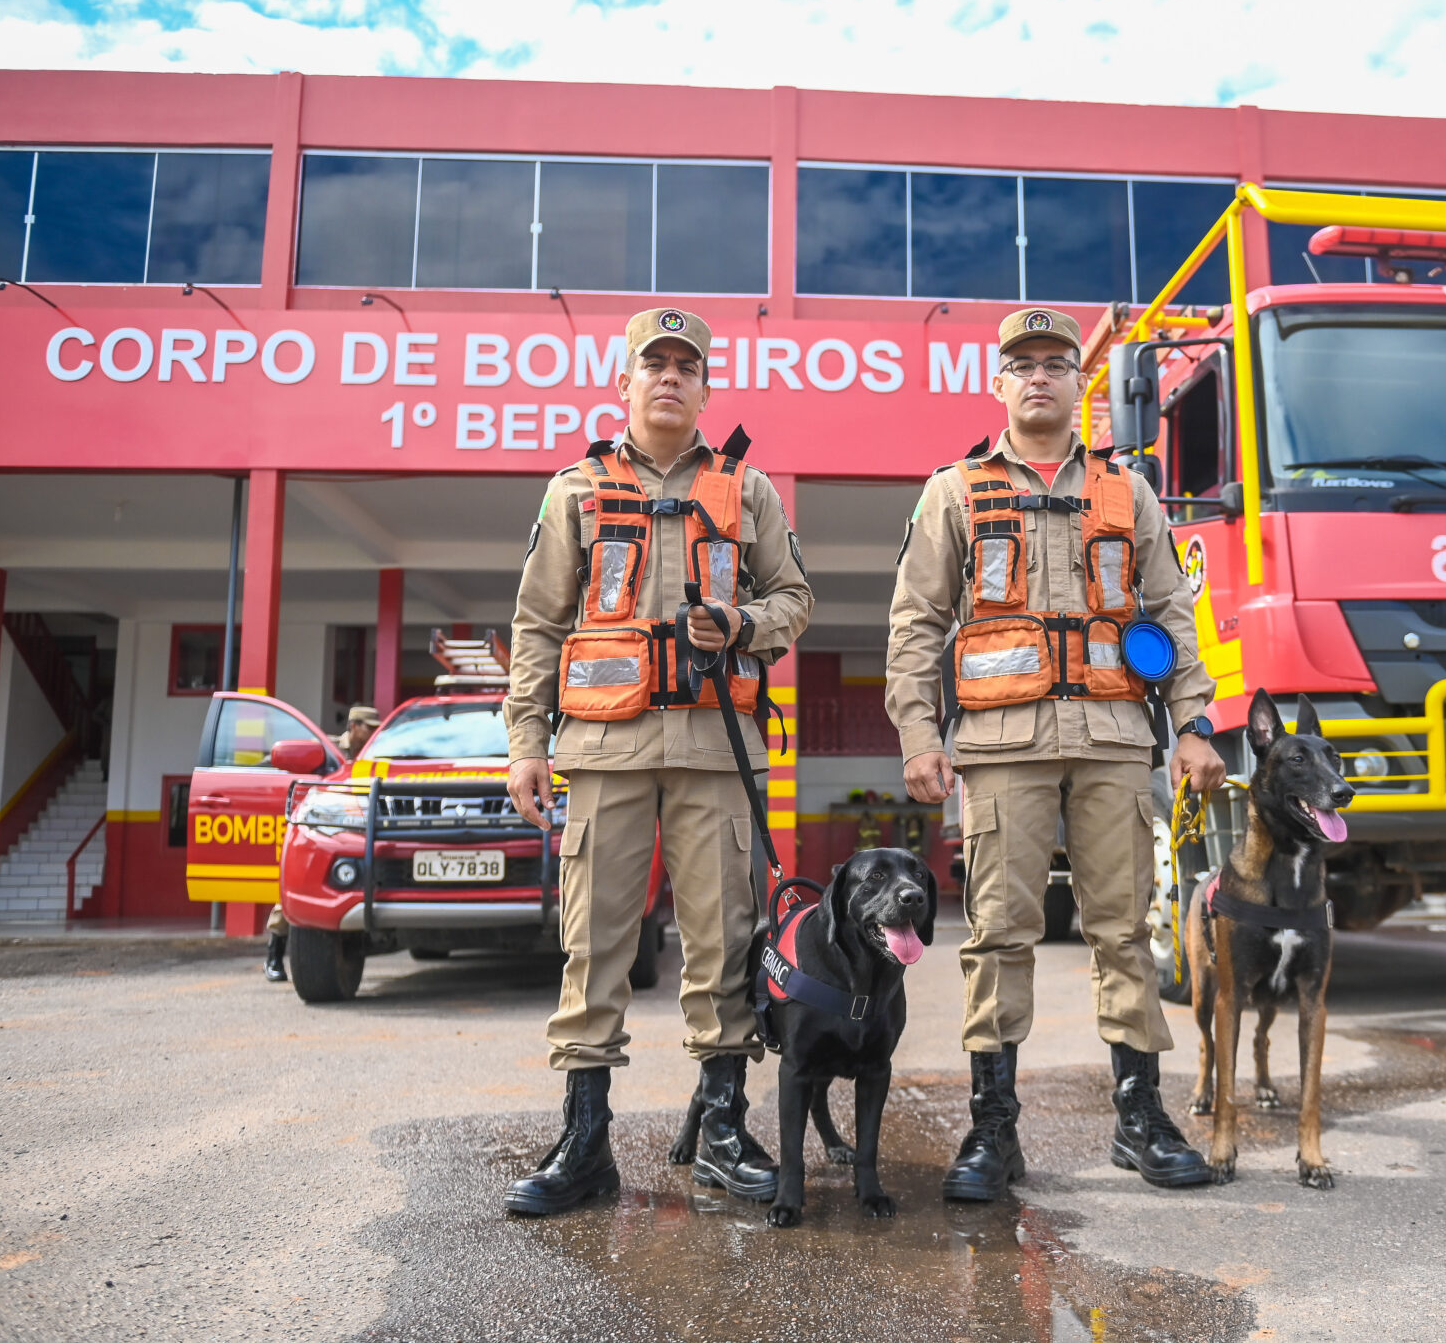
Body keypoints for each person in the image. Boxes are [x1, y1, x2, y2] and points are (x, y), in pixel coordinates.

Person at [886, 307, 1227, 1198]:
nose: (1038, 376)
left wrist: (1193, 724)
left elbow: (1171, 611)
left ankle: (1140, 1117)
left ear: (1082, 383)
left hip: (1116, 740)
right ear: (997, 384)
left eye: (1055, 363)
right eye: (1021, 364)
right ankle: (992, 1131)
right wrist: (920, 734)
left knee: (1125, 929)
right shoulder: (953, 491)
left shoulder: (1130, 491)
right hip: (1002, 749)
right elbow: (917, 622)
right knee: (1000, 933)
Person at [500, 307, 813, 1216]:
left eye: (687, 366)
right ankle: (585, 1140)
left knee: (723, 946)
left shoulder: (747, 491)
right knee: (593, 944)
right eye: (654, 364)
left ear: (707, 387)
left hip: (718, 752)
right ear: (625, 382)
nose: (670, 378)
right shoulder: (576, 491)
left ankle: (721, 1126)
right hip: (603, 752)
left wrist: (746, 623)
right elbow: (537, 626)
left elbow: (794, 598)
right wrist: (527, 744)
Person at [263, 703, 382, 982]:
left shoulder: (372, 756)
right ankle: (274, 954)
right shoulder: (330, 752)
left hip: (356, 828)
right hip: (319, 829)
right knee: (295, 892)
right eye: (369, 728)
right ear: (354, 727)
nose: (373, 733)